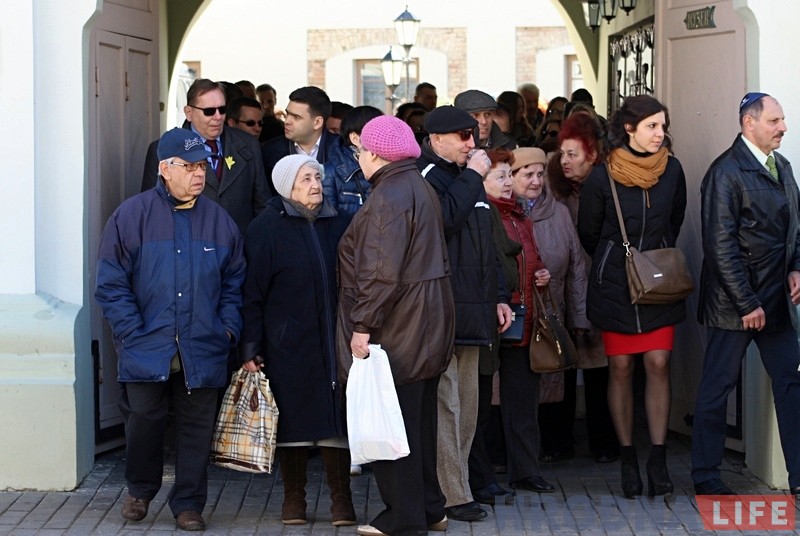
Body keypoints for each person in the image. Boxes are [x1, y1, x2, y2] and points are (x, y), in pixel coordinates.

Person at [95, 127, 246, 532]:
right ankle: (140, 490)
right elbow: (111, 283)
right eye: (190, 166)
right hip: (146, 345)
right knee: (144, 420)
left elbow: (235, 284)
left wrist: (226, 329)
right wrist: (131, 332)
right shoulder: (131, 216)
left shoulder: (219, 221)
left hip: (204, 345)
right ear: (165, 169)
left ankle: (189, 504)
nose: (200, 174)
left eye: (203, 165)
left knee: (196, 429)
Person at [337, 116, 455, 536]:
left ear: (374, 154)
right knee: (417, 421)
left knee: (391, 422)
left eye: (360, 151)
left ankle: (404, 518)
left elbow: (381, 270)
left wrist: (362, 325)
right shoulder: (419, 184)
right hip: (424, 321)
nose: (359, 158)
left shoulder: (389, 194)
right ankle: (429, 508)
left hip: (398, 326)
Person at [577, 95, 688, 499]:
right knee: (620, 367)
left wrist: (653, 257)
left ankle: (657, 457)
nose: (661, 134)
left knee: (659, 362)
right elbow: (588, 232)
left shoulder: (672, 170)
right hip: (616, 284)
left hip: (658, 280)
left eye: (663, 126)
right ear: (629, 129)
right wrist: (616, 260)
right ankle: (628, 457)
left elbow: (675, 220)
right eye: (652, 127)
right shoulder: (601, 175)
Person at [693, 92, 800, 497]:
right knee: (717, 387)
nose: (783, 127)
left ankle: (799, 478)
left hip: (777, 301)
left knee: (792, 382)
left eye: (783, 120)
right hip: (732, 306)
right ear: (748, 124)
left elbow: (797, 227)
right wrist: (747, 303)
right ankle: (705, 476)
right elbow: (719, 246)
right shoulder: (726, 172)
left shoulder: (783, 167)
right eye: (774, 121)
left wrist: (797, 267)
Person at [239, 154, 354, 526]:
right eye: (306, 179)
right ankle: (293, 501)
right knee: (292, 426)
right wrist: (250, 347)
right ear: (287, 186)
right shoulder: (265, 229)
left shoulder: (340, 223)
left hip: (335, 338)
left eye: (317, 178)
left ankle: (342, 502)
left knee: (336, 424)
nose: (316, 185)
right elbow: (251, 294)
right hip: (287, 342)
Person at [417, 106, 513, 522]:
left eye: (473, 136)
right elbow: (444, 221)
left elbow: (487, 246)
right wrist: (474, 175)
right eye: (462, 137)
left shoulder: (466, 177)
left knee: (470, 407)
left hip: (476, 309)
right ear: (435, 140)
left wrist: (499, 295)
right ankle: (452, 495)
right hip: (442, 312)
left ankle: (460, 487)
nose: (472, 145)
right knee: (447, 407)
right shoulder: (427, 178)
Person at [546, 112, 618, 465]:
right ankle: (559, 441)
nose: (565, 161)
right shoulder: (554, 190)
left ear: (593, 154)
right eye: (562, 153)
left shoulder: (609, 189)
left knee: (599, 367)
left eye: (573, 154)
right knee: (560, 362)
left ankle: (603, 441)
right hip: (562, 289)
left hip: (600, 287)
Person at [512, 147, 590, 464]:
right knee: (514, 387)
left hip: (552, 312)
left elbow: (577, 268)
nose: (535, 181)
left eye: (540, 174)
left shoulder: (557, 212)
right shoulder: (499, 210)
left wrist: (580, 317)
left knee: (553, 377)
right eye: (527, 174)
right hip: (515, 316)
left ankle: (554, 446)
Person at [486, 148, 555, 494]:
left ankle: (526, 471)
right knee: (481, 401)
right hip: (490, 319)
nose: (531, 182)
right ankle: (482, 475)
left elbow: (531, 259)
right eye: (507, 176)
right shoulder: (482, 215)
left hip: (522, 319)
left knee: (523, 401)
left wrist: (540, 272)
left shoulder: (520, 216)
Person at [140, 78, 270, 235]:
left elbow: (262, 205)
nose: (218, 117)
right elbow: (153, 211)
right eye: (209, 111)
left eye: (222, 110)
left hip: (238, 252)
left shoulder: (248, 145)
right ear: (189, 112)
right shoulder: (161, 151)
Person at [467, 149, 521, 507]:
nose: (509, 183)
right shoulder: (479, 212)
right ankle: (477, 479)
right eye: (500, 176)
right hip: (476, 317)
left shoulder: (508, 215)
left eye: (508, 175)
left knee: (482, 403)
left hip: (493, 313)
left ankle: (482, 477)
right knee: (475, 406)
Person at [261, 86, 338, 197]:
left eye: (296, 117)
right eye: (287, 114)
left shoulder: (342, 151)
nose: (287, 121)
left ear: (317, 122)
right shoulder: (270, 152)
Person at [322, 105, 382, 218]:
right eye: (374, 133)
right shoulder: (330, 172)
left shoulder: (389, 166)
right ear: (355, 138)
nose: (381, 138)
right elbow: (329, 221)